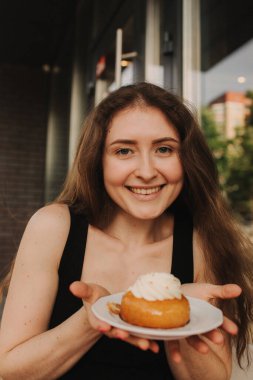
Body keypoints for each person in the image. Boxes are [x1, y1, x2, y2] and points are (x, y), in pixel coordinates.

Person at [0, 82, 252, 380]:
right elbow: (9, 368)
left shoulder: (201, 242)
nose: (146, 171)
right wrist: (89, 322)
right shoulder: (54, 227)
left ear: (186, 160)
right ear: (98, 161)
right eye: (124, 150)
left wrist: (183, 318)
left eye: (164, 149)